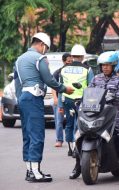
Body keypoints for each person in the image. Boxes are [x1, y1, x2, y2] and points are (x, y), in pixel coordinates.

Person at [69, 51, 119, 181]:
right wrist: (82, 98)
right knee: (79, 134)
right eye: (103, 65)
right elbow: (90, 91)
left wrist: (117, 96)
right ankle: (78, 167)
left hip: (115, 112)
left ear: (113, 66)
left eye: (108, 65)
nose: (105, 68)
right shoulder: (96, 78)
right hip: (96, 111)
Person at [14, 32, 74, 182]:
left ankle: (30, 171)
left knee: (27, 134)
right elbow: (49, 79)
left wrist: (21, 98)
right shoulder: (39, 58)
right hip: (34, 98)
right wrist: (63, 89)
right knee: (37, 135)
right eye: (46, 48)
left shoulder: (19, 59)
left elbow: (17, 83)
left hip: (23, 98)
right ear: (41, 44)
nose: (45, 51)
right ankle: (36, 173)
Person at [58, 44, 94, 156]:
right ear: (83, 56)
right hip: (82, 101)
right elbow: (91, 87)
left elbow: (60, 87)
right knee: (81, 124)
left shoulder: (63, 69)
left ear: (72, 56)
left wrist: (60, 105)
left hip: (67, 100)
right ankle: (78, 148)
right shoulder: (87, 69)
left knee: (69, 123)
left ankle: (71, 148)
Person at [52, 53, 72, 147]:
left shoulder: (73, 73)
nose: (70, 63)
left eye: (71, 61)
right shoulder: (58, 72)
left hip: (70, 100)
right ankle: (59, 140)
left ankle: (71, 139)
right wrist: (55, 98)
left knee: (70, 120)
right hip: (60, 100)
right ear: (63, 61)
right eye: (68, 62)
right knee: (59, 121)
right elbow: (53, 86)